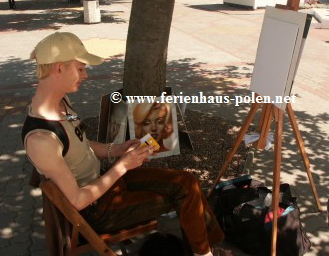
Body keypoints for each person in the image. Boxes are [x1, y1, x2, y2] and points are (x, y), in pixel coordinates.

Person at [22, 32, 224, 256]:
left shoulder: (60, 103)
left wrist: (117, 150)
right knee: (184, 196)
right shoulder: (41, 140)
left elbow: (79, 144)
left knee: (187, 182)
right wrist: (123, 166)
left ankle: (206, 249)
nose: (86, 75)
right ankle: (205, 251)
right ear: (59, 68)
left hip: (105, 183)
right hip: (98, 210)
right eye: (80, 68)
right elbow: (78, 200)